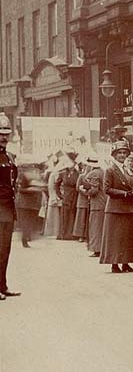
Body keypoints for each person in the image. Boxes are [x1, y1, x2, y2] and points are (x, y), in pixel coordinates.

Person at [100, 139, 133, 273]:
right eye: (119, 153)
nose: (122, 155)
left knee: (128, 236)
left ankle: (126, 262)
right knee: (116, 237)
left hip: (128, 207)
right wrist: (124, 194)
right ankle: (114, 263)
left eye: (124, 153)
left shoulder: (130, 171)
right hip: (115, 208)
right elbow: (107, 189)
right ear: (114, 155)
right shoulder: (110, 170)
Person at [0, 113, 19, 300]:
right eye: (0, 134)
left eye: (6, 134)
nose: (4, 137)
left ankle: (2, 285)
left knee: (5, 250)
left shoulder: (9, 156)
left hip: (7, 208)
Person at [15, 156, 46, 247]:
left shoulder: (35, 175)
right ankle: (25, 239)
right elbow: (20, 189)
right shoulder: (22, 175)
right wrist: (33, 188)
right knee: (26, 221)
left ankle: (28, 237)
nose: (33, 168)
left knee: (31, 221)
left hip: (33, 203)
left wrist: (39, 187)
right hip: (24, 203)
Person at [84, 155, 106, 258]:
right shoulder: (102, 171)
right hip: (104, 202)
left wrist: (84, 191)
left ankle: (97, 248)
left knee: (95, 226)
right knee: (101, 226)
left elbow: (94, 190)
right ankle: (101, 247)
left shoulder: (93, 173)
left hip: (97, 203)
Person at [55, 150, 79, 241]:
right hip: (66, 196)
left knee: (73, 214)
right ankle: (62, 234)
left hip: (75, 195)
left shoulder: (78, 173)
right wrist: (59, 195)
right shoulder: (63, 173)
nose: (69, 164)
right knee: (64, 215)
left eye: (71, 162)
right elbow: (56, 184)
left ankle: (71, 234)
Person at [73, 160, 93, 242]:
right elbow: (77, 187)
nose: (88, 168)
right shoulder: (81, 176)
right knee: (81, 218)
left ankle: (86, 235)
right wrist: (85, 193)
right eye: (86, 166)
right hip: (82, 200)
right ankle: (80, 235)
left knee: (87, 218)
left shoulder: (92, 176)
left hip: (89, 199)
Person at [44, 160, 62, 237]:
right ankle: (52, 232)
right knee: (53, 216)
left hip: (59, 197)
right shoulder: (53, 174)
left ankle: (56, 232)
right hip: (54, 197)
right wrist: (53, 197)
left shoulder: (59, 173)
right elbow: (51, 187)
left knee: (56, 216)